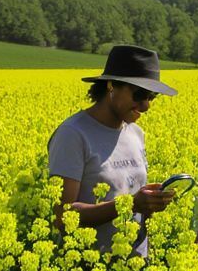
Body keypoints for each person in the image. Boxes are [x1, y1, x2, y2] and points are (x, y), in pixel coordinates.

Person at [48, 44, 177, 256]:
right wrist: (130, 204)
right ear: (111, 86)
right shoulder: (72, 134)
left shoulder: (136, 134)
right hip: (88, 268)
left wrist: (150, 203)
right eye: (139, 94)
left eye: (151, 97)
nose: (146, 106)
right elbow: (63, 216)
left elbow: (133, 200)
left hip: (136, 269)